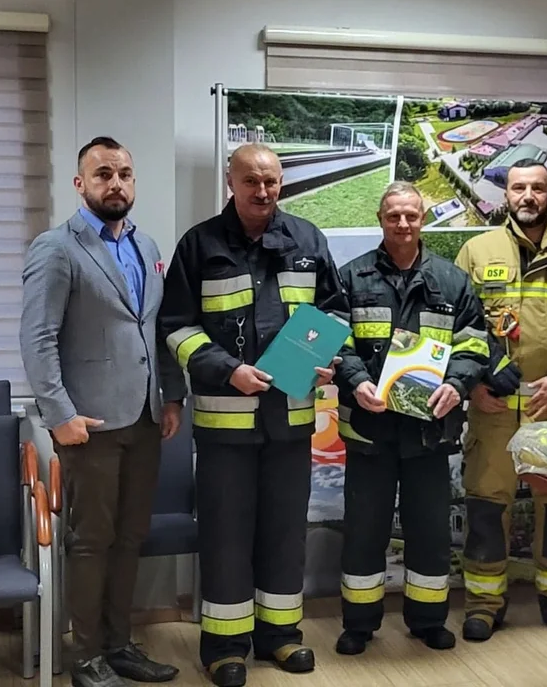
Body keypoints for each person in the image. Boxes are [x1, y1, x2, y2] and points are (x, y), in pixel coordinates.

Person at [158, 143, 349, 687]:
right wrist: (228, 371)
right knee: (226, 537)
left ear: (281, 182)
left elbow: (333, 311)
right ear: (231, 182)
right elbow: (175, 326)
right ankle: (224, 648)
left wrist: (316, 360)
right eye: (250, 181)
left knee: (286, 534)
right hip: (225, 427)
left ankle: (281, 636)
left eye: (270, 181)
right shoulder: (199, 244)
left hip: (290, 419)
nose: (262, 191)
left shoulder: (308, 239)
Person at [19, 136, 186, 687]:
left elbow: (156, 329)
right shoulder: (56, 248)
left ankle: (119, 645)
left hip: (144, 418)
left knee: (130, 537)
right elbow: (37, 338)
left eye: (124, 174)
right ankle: (86, 656)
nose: (116, 183)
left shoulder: (146, 245)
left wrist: (170, 396)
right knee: (91, 542)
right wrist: (59, 414)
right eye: (103, 174)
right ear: (80, 184)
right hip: (87, 425)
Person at [454, 159, 547, 642]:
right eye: (519, 187)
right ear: (506, 194)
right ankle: (483, 604)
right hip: (493, 408)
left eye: (537, 188)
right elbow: (457, 323)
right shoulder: (477, 250)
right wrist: (473, 385)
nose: (528, 196)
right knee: (485, 508)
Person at [333, 181, 489, 656]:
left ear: (423, 220)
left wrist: (456, 384)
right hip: (369, 429)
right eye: (393, 216)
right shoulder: (351, 277)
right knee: (364, 532)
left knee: (430, 532)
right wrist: (357, 381)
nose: (403, 224)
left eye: (411, 215)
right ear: (380, 219)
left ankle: (428, 620)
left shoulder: (452, 280)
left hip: (429, 431)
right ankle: (359, 624)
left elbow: (474, 344)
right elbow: (336, 342)